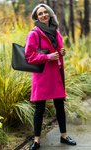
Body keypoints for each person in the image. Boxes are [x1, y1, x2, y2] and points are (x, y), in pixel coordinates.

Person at [25, 3, 76, 150]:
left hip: (56, 73)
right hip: (42, 75)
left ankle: (64, 136)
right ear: (36, 17)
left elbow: (57, 51)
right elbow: (29, 56)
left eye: (45, 12)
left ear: (50, 14)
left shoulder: (56, 32)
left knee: (59, 106)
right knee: (39, 108)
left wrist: (62, 52)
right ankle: (36, 141)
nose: (43, 15)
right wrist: (48, 57)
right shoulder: (33, 34)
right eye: (40, 14)